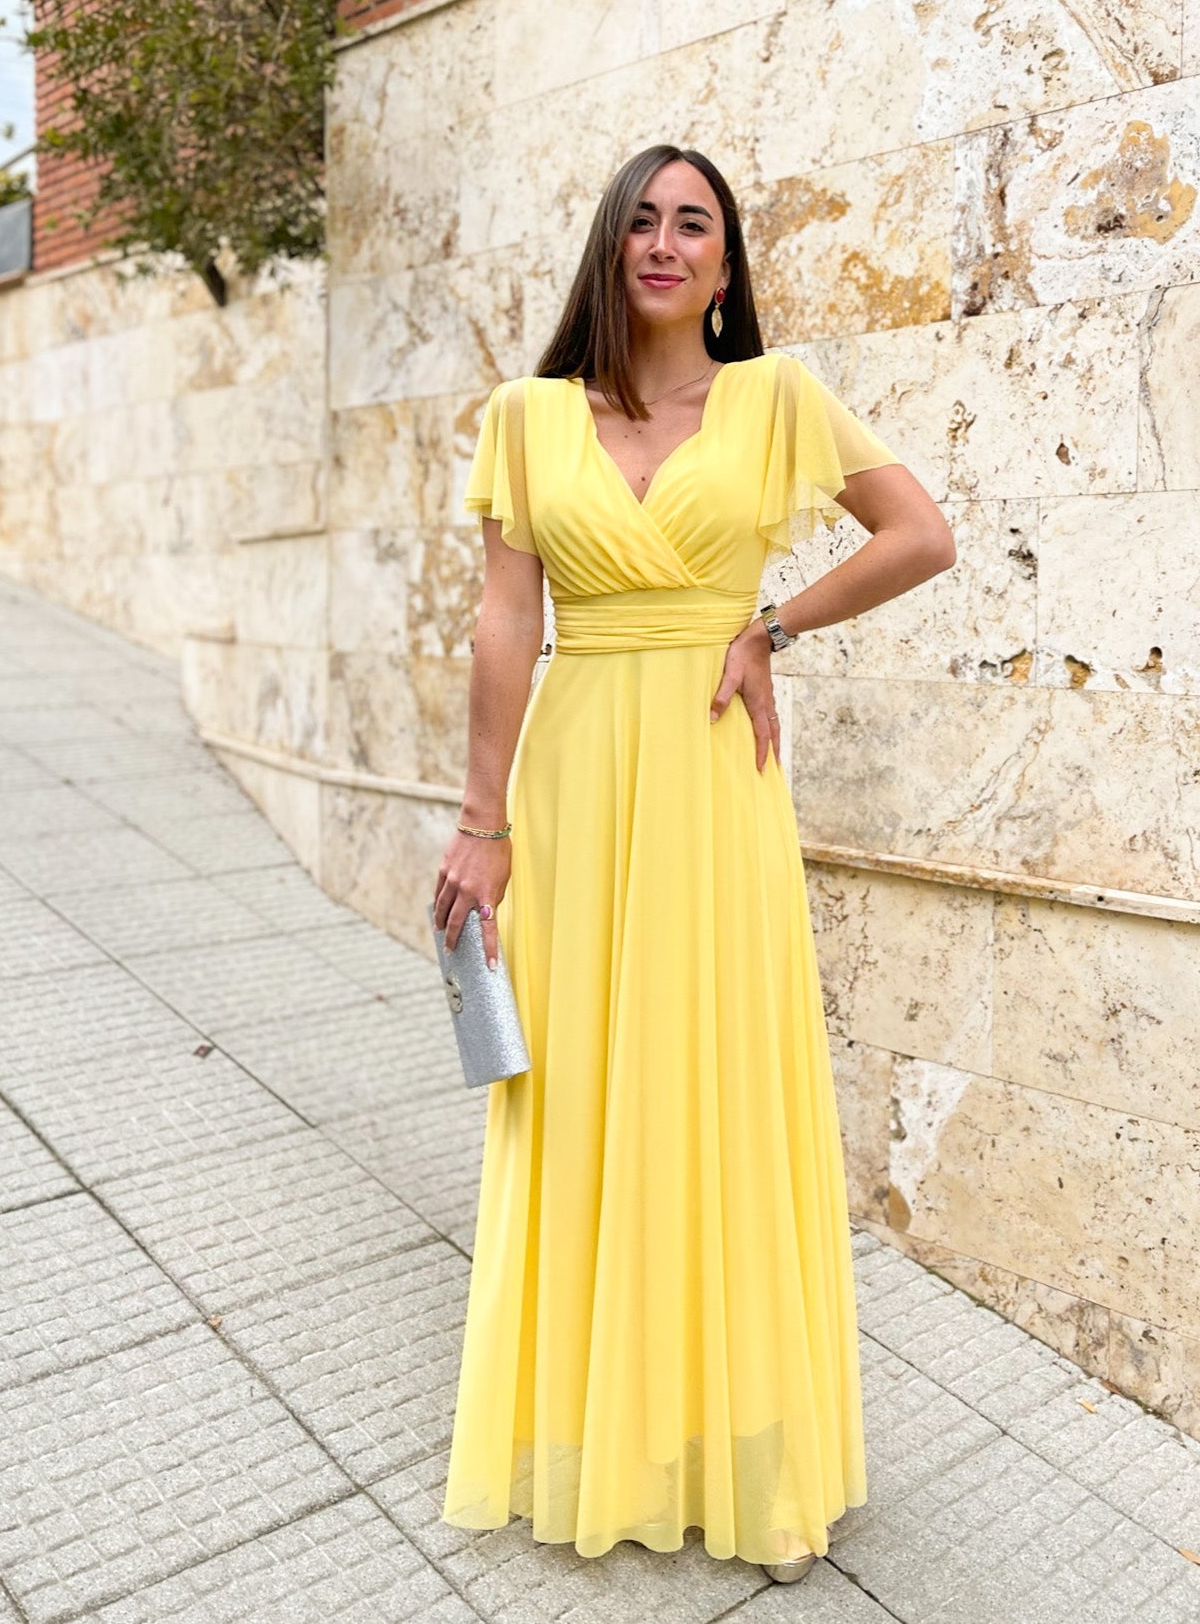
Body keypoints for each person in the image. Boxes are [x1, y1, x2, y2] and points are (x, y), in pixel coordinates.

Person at [433, 144, 956, 1580]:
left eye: (695, 224)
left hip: (717, 775)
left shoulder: (776, 397)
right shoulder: (529, 418)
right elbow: (500, 625)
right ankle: (601, 1433)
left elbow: (919, 534)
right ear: (610, 249)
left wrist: (772, 625)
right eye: (642, 221)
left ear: (725, 264)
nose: (665, 243)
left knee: (714, 1086)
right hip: (579, 774)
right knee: (590, 1093)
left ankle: (752, 1461)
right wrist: (483, 824)